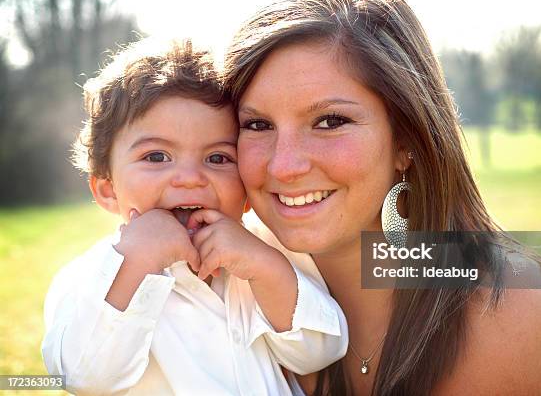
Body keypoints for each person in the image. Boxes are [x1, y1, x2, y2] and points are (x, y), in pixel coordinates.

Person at [224, 0, 541, 395]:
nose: (283, 166)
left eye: (330, 121)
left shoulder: (501, 303)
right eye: (257, 125)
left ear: (406, 140)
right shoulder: (229, 285)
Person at [41, 38, 347, 395]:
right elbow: (84, 377)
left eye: (218, 158)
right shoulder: (90, 276)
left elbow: (319, 352)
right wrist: (138, 262)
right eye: (156, 157)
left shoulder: (265, 254)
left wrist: (265, 268)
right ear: (108, 190)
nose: (190, 178)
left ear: (245, 190)